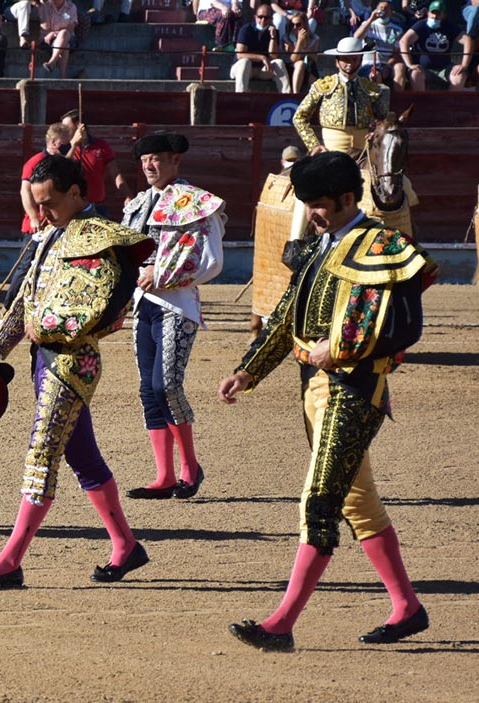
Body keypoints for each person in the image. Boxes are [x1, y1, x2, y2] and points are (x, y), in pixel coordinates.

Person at [218, 151, 437, 651]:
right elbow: (284, 319)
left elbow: (407, 328)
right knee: (357, 501)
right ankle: (407, 607)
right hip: (314, 388)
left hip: (355, 389)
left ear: (346, 198)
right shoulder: (321, 246)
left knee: (320, 501)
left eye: (320, 205)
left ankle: (281, 624)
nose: (312, 214)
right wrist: (248, 370)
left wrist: (337, 349)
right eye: (308, 205)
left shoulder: (385, 246)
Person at [0, 154, 153, 589]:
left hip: (73, 362)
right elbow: (28, 298)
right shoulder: (51, 233)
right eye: (38, 203)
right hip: (42, 360)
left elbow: (105, 308)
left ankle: (10, 560)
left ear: (76, 194)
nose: (41, 212)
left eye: (49, 203)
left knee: (42, 452)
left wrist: (44, 327)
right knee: (82, 455)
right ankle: (125, 545)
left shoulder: (102, 239)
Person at [121, 132, 224, 501]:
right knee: (148, 390)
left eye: (157, 158)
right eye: (145, 159)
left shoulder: (194, 202)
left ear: (175, 161)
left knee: (167, 385)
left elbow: (211, 260)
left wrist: (161, 276)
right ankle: (163, 476)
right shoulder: (136, 206)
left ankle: (189, 468)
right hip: (141, 303)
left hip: (176, 303)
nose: (149, 165)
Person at [3, 122, 71, 309]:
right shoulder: (35, 161)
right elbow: (25, 191)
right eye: (66, 142)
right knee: (27, 265)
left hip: (58, 223)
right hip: (38, 223)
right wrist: (33, 217)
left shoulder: (61, 162)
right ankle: (9, 305)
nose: (69, 146)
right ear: (55, 142)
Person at [292, 36, 390, 156]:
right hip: (331, 150)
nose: (349, 64)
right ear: (337, 61)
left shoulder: (371, 88)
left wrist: (376, 133)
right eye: (345, 59)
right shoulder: (323, 86)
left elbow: (384, 120)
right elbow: (299, 117)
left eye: (354, 59)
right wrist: (314, 145)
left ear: (361, 60)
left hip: (363, 152)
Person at [60, 110, 131, 219]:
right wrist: (73, 145)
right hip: (72, 208)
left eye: (66, 127)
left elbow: (115, 173)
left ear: (79, 125)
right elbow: (61, 169)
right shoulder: (62, 147)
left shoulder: (101, 146)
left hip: (97, 206)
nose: (63, 131)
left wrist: (127, 195)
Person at [398, 0, 472, 90]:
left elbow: (468, 40)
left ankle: (450, 103)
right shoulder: (421, 25)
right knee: (415, 73)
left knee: (459, 76)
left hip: (444, 68)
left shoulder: (450, 26)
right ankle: (420, 102)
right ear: (428, 13)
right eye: (433, 13)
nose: (435, 16)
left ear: (444, 15)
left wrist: (464, 65)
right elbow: (404, 41)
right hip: (423, 68)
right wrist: (409, 64)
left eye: (438, 14)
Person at [231, 4, 292, 92]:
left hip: (261, 70)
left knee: (279, 62)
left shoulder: (274, 32)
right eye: (260, 17)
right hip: (241, 69)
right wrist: (262, 58)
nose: (263, 20)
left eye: (266, 18)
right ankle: (241, 97)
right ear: (255, 17)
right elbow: (240, 55)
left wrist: (273, 37)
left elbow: (274, 56)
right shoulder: (246, 29)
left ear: (271, 19)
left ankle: (286, 98)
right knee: (245, 61)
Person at [354, 1, 408, 87]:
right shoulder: (368, 25)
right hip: (369, 65)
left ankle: (399, 98)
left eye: (386, 8)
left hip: (386, 64)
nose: (383, 10)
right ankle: (378, 99)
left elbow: (396, 53)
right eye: (381, 7)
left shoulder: (397, 30)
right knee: (375, 74)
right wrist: (371, 18)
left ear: (391, 12)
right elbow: (356, 37)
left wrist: (387, 65)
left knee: (400, 67)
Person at [282, 11, 320, 93]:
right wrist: (299, 42)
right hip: (290, 67)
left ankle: (316, 96)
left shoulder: (314, 38)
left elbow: (315, 58)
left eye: (298, 24)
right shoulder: (287, 38)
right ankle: (295, 94)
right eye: (292, 25)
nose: (295, 28)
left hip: (308, 67)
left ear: (304, 25)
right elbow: (293, 59)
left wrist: (304, 47)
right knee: (300, 64)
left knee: (310, 65)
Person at [38, 0, 78, 77]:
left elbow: (70, 28)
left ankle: (52, 61)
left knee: (64, 33)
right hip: (48, 41)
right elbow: (45, 26)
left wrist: (54, 33)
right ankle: (63, 77)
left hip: (68, 37)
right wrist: (43, 5)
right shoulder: (45, 5)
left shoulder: (71, 7)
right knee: (65, 46)